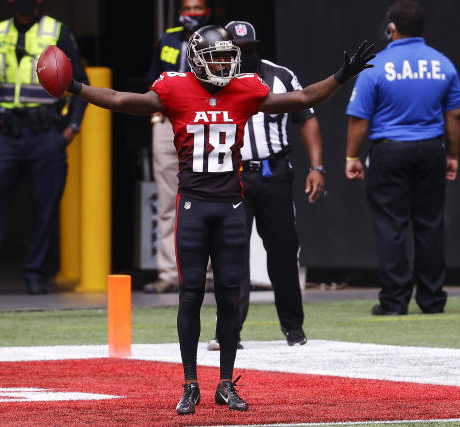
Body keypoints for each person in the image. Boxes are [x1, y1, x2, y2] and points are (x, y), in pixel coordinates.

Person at [57, 25, 374, 415]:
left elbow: (304, 98)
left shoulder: (245, 88)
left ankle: (225, 382)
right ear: (195, 58)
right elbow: (123, 100)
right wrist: (74, 86)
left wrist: (342, 76)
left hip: (230, 205)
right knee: (190, 293)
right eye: (216, 57)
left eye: (228, 56)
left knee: (228, 292)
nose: (223, 63)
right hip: (194, 203)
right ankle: (190, 383)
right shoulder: (174, 87)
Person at [0, 0, 88, 295]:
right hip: (5, 134)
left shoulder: (57, 31)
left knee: (46, 207)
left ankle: (36, 274)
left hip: (46, 133)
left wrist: (71, 128)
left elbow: (81, 82)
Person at [206, 21, 326, 351]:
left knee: (284, 252)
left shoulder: (280, 75)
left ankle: (293, 327)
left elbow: (307, 116)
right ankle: (227, 331)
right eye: (238, 50)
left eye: (249, 49)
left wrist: (316, 167)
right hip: (231, 176)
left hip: (274, 173)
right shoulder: (212, 76)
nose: (244, 56)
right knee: (230, 254)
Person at [344, 0, 460, 315]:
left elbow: (359, 118)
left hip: (389, 150)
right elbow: (455, 116)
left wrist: (352, 156)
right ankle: (432, 299)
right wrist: (452, 155)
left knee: (391, 225)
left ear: (391, 28)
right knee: (430, 224)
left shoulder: (377, 65)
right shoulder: (443, 64)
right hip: (431, 149)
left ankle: (395, 301)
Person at [142, 0, 213, 294]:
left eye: (198, 8)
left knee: (207, 196)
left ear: (208, 10)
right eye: (188, 7)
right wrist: (156, 113)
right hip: (168, 121)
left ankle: (207, 274)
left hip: (201, 120)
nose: (192, 13)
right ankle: (169, 273)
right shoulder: (169, 38)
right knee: (169, 199)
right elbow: (152, 78)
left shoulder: (216, 37)